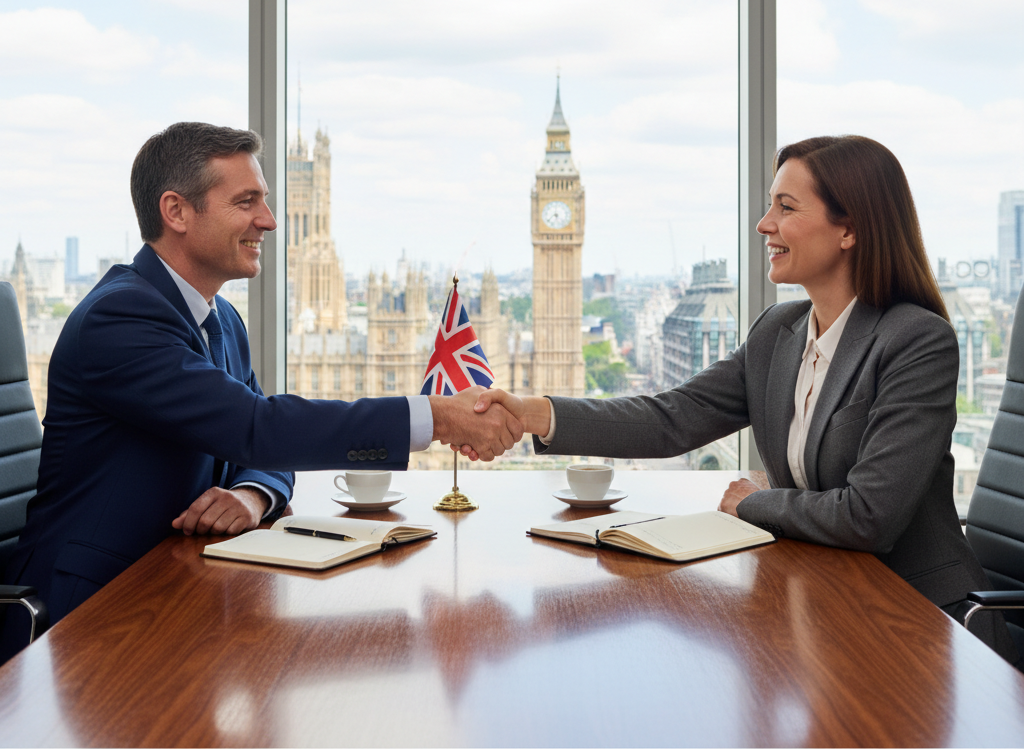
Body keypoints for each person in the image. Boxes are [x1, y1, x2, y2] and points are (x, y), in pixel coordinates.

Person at [468, 135, 1016, 662]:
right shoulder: (779, 331)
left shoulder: (916, 341)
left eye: (786, 207)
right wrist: (534, 412)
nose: (764, 224)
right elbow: (672, 419)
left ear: (848, 229)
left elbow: (869, 516)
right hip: (823, 602)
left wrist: (751, 501)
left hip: (918, 623)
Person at [2, 123, 517, 656]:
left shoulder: (220, 317)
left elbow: (264, 446)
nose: (268, 221)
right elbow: (258, 428)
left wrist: (252, 495)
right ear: (176, 211)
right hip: (88, 619)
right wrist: (436, 416)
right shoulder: (120, 317)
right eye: (246, 202)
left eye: (265, 202)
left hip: (182, 591)